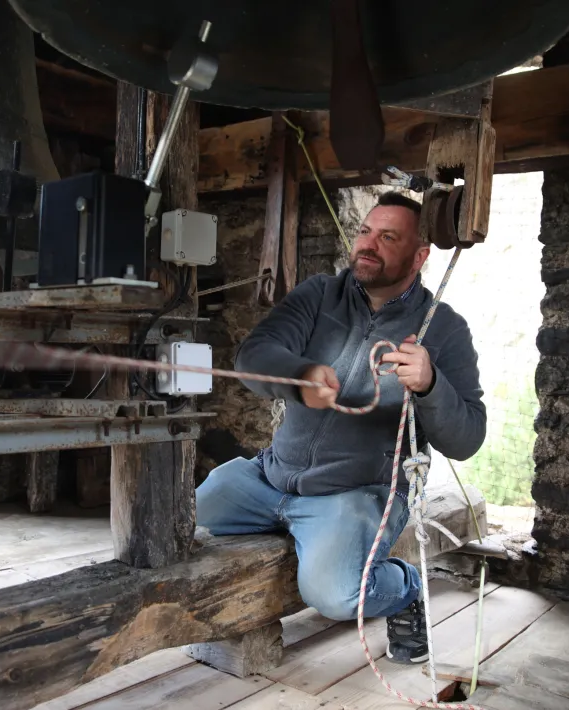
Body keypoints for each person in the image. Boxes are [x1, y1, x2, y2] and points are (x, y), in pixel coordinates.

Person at [195, 191, 486, 664]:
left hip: (357, 494)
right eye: (365, 231)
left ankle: (405, 588)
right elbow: (254, 354)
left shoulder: (444, 329)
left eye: (388, 237)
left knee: (334, 597)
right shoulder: (319, 294)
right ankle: (310, 535)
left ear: (420, 255)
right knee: (192, 517)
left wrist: (430, 384)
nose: (368, 245)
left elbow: (468, 438)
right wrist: (301, 377)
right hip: (271, 477)